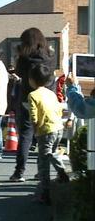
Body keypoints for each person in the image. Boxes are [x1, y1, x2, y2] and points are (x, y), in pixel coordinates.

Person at [10, 28, 56, 182]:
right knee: (44, 138)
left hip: (27, 99)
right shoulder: (49, 57)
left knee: (25, 136)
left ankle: (19, 172)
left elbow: (19, 74)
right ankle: (41, 171)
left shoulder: (24, 58)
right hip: (46, 99)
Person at [29, 64, 69, 204]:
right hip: (58, 128)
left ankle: (45, 193)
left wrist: (35, 129)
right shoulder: (51, 93)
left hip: (45, 130)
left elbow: (34, 116)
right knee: (53, 153)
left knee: (43, 162)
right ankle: (62, 174)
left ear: (32, 79)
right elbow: (58, 110)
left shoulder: (33, 95)